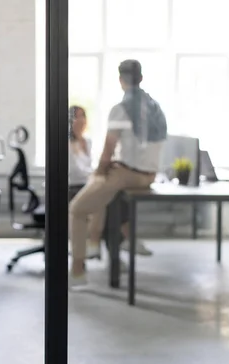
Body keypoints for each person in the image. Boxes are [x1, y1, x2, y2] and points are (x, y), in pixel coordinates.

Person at [69, 59, 167, 287]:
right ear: (141, 78)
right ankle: (104, 242)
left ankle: (78, 271)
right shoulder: (156, 108)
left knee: (76, 209)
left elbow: (108, 151)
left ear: (120, 80)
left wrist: (101, 170)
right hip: (148, 176)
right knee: (104, 193)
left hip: (128, 174)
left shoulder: (120, 109)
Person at [67, 105, 153, 259]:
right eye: (76, 117)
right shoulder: (66, 144)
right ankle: (120, 244)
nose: (80, 120)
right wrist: (98, 174)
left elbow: (90, 167)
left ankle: (114, 248)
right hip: (74, 187)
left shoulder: (87, 141)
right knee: (107, 198)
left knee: (114, 195)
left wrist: (105, 169)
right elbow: (75, 172)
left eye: (83, 116)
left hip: (89, 181)